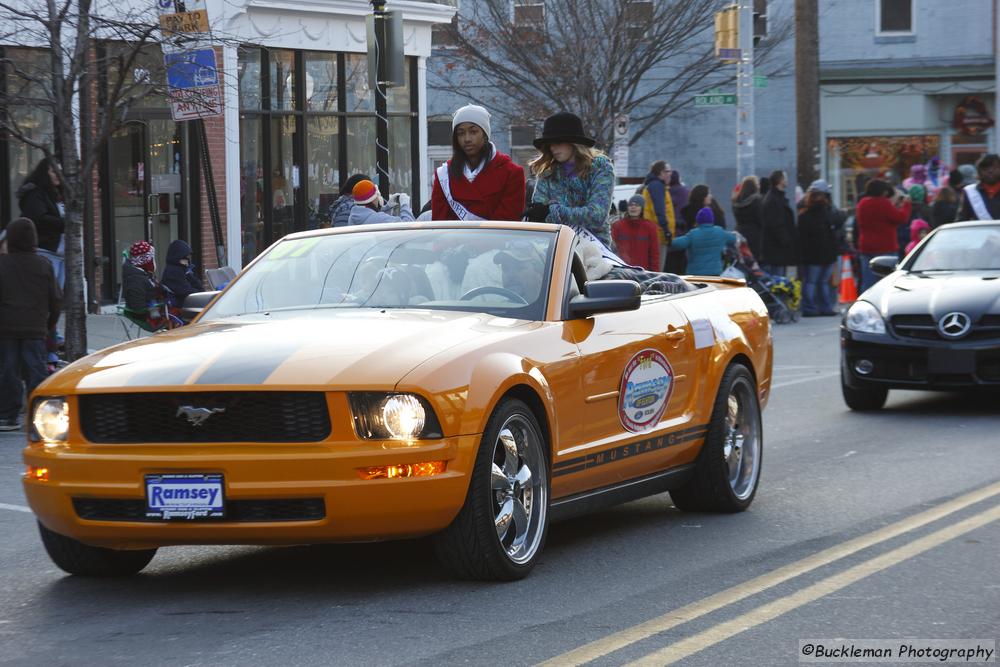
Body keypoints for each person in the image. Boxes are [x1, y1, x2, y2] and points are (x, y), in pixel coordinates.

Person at [0, 218, 62, 430]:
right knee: (36, 371)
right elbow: (55, 298)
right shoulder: (43, 264)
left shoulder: (3, 264)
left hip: (6, 328)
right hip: (36, 328)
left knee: (9, 372)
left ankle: (8, 416)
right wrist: (49, 325)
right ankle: (39, 416)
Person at [525, 112, 615, 245]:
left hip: (594, 247)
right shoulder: (548, 173)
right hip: (556, 245)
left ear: (574, 142)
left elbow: (597, 215)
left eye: (558, 142)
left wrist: (553, 211)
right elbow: (539, 216)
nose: (553, 147)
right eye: (550, 143)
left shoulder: (601, 167)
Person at [432, 104, 525, 221]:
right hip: (455, 239)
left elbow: (508, 222)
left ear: (485, 135)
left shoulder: (511, 173)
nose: (467, 139)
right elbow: (440, 223)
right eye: (460, 133)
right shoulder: (444, 175)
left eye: (473, 132)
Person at [16, 158, 66, 288]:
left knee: (57, 296)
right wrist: (65, 224)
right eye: (53, 171)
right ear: (44, 173)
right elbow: (39, 219)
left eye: (59, 172)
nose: (57, 175)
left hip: (60, 253)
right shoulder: (35, 193)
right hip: (45, 251)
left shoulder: (58, 194)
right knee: (46, 293)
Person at [855, 179, 911, 291]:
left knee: (868, 281)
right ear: (883, 192)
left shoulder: (862, 203)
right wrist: (906, 205)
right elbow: (901, 218)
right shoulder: (883, 203)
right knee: (887, 280)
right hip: (885, 247)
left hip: (866, 246)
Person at [797, 190, 839, 316]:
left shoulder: (804, 216)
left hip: (811, 254)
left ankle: (809, 307)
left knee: (810, 281)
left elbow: (801, 237)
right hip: (827, 253)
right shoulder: (828, 214)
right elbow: (833, 233)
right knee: (823, 282)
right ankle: (825, 307)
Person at [669, 207, 737, 276]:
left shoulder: (693, 234)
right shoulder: (720, 232)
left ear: (698, 220)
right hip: (715, 272)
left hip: (695, 273)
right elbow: (734, 239)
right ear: (712, 219)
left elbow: (677, 244)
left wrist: (668, 238)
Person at [760, 170, 798, 276]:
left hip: (778, 249)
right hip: (777, 250)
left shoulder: (775, 198)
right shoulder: (773, 199)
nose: (787, 180)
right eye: (785, 178)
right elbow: (776, 224)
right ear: (780, 181)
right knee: (778, 281)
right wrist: (787, 241)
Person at [639, 160, 676, 267]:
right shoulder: (657, 186)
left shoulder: (654, 185)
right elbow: (659, 211)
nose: (670, 174)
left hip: (655, 233)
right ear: (661, 172)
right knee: (657, 268)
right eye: (668, 171)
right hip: (658, 234)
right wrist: (666, 231)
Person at [611, 195, 660, 271]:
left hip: (643, 272)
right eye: (631, 205)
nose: (633, 207)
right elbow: (612, 251)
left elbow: (654, 255)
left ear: (642, 208)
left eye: (637, 205)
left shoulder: (650, 227)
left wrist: (655, 273)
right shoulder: (617, 226)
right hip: (623, 272)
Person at [347, 179, 415, 226]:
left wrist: (387, 208)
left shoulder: (352, 217)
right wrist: (405, 204)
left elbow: (372, 218)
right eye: (377, 196)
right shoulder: (378, 218)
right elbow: (408, 225)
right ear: (373, 199)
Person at [160, 239, 204, 306]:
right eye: (185, 258)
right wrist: (201, 294)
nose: (187, 261)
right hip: (181, 308)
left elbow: (198, 286)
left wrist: (188, 273)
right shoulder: (173, 272)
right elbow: (186, 291)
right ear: (177, 257)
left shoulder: (181, 270)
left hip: (186, 304)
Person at [957, 153, 1000, 221]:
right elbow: (961, 220)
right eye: (985, 168)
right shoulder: (970, 191)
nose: (990, 171)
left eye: (995, 167)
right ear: (979, 171)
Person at [732, 175, 765, 258]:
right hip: (755, 237)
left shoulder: (736, 201)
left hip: (739, 234)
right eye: (757, 184)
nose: (759, 186)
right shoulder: (757, 200)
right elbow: (761, 219)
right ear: (753, 186)